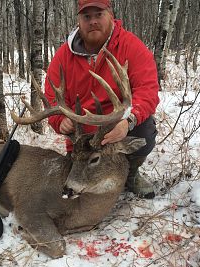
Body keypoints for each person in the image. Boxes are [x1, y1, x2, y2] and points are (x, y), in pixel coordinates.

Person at [44, 0, 159, 198]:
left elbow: (147, 91)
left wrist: (128, 121)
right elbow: (52, 96)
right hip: (81, 135)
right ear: (78, 20)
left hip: (114, 129)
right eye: (87, 17)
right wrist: (60, 120)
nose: (93, 22)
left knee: (145, 129)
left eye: (99, 14)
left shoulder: (131, 46)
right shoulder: (64, 56)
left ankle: (130, 173)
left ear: (110, 14)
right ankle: (81, 170)